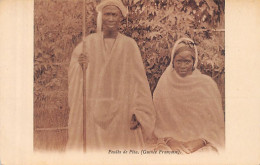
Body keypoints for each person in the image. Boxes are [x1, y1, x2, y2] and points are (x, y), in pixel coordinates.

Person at [66, 0, 155, 151]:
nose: (111, 18)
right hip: (93, 109)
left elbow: (139, 82)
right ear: (101, 16)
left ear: (121, 17)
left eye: (115, 14)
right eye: (107, 14)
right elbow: (75, 71)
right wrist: (80, 65)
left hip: (122, 110)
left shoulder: (130, 45)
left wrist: (139, 111)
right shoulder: (88, 43)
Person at [153, 38, 225, 154]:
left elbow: (215, 125)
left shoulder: (207, 85)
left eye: (187, 61)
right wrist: (171, 141)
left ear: (194, 62)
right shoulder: (164, 84)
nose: (182, 66)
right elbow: (159, 123)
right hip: (170, 144)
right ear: (172, 61)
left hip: (202, 143)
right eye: (179, 61)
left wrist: (200, 141)